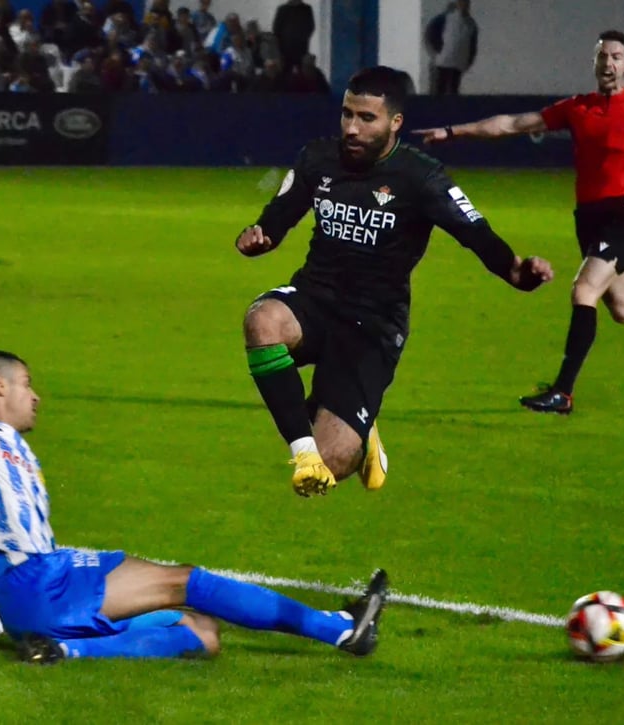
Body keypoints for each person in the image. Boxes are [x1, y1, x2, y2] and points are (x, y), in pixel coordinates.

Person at [0, 309, 391, 663]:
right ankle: (341, 630)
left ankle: (60, 647)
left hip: (39, 585)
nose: (36, 397)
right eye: (27, 385)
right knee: (185, 581)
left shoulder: (12, 448)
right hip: (35, 582)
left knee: (201, 632)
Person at [236, 66, 554, 498]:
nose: (352, 127)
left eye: (367, 118)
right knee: (262, 321)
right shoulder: (317, 158)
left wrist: (516, 271)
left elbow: (475, 233)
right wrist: (259, 236)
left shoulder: (420, 177)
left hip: (372, 325)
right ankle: (303, 450)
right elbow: (279, 214)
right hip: (314, 298)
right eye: (347, 114)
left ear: (394, 123)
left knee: (334, 467)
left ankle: (358, 435)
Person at [413, 30, 624, 415]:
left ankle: (563, 393)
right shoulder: (577, 108)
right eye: (602, 56)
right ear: (594, 63)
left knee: (583, 291)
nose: (608, 63)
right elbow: (512, 124)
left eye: (616, 56)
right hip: (588, 219)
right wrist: (453, 132)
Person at [424, 0, 476, 96]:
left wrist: (468, 61)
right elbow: (430, 34)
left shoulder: (470, 24)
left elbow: (472, 45)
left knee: (452, 91)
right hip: (442, 61)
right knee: (439, 90)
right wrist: (438, 52)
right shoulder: (445, 18)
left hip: (458, 63)